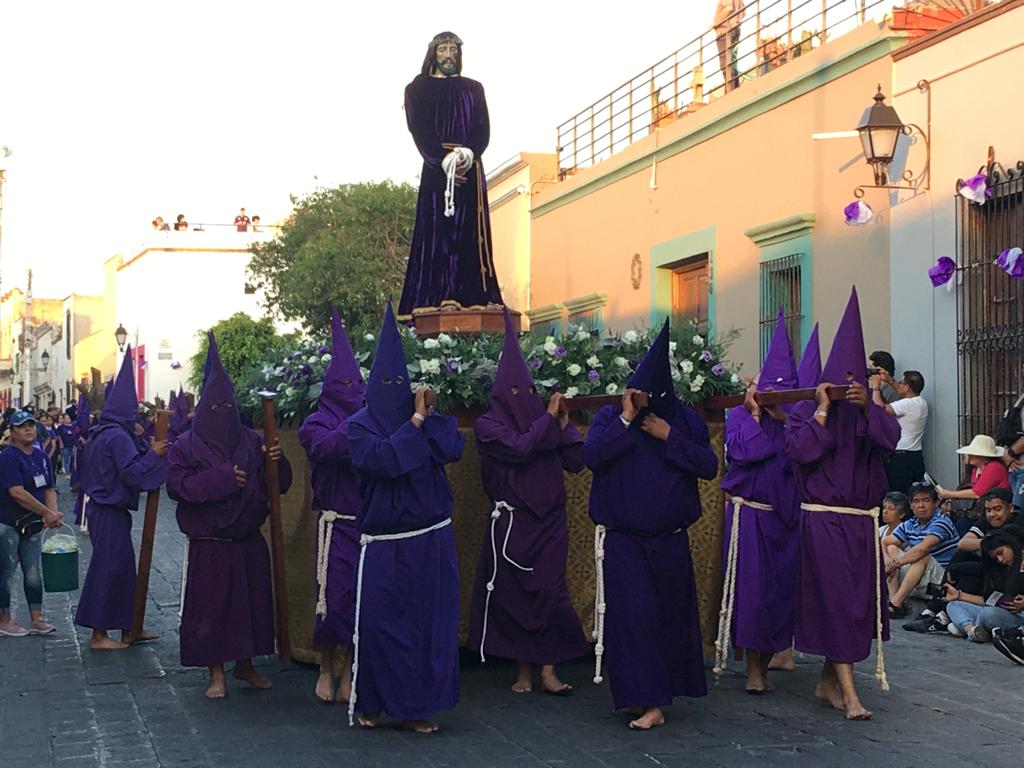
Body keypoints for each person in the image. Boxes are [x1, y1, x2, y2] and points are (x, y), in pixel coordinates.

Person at [583, 319, 717, 730]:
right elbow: (593, 456)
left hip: (669, 539)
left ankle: (656, 700)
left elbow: (708, 466)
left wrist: (669, 435)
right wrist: (626, 420)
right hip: (624, 540)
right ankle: (638, 697)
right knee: (632, 618)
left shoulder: (686, 422)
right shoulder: (610, 419)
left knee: (666, 619)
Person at [346, 301, 464, 733]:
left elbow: (452, 449)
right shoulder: (359, 427)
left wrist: (430, 415)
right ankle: (372, 701)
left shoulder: (428, 422)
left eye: (403, 382)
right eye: (387, 382)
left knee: (425, 626)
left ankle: (417, 708)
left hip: (430, 538)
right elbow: (382, 461)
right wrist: (413, 421)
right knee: (377, 626)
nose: (395, 388)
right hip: (383, 544)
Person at [785, 288, 900, 721]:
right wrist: (821, 412)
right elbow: (800, 453)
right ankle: (851, 695)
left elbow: (892, 443)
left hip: (859, 523)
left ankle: (828, 682)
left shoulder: (873, 412)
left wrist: (870, 407)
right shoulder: (804, 411)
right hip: (822, 521)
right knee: (835, 599)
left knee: (856, 605)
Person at [466, 308, 588, 695]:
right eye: (517, 394)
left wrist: (565, 427)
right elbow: (520, 449)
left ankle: (549, 670)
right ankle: (522, 671)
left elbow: (576, 462)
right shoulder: (489, 426)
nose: (524, 400)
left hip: (549, 522)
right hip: (512, 525)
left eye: (529, 393)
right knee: (515, 596)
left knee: (550, 593)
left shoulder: (546, 422)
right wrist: (546, 421)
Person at [167, 334, 292, 699]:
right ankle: (216, 672)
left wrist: (276, 462)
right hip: (211, 543)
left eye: (228, 405)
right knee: (212, 609)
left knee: (251, 606)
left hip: (248, 538)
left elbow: (279, 486)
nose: (222, 412)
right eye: (215, 406)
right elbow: (177, 485)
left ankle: (246, 665)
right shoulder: (184, 445)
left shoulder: (252, 440)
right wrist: (220, 480)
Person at [717, 308, 800, 694]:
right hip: (749, 518)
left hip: (784, 520)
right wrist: (753, 415)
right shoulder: (737, 417)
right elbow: (750, 454)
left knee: (778, 593)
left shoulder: (795, 423)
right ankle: (753, 669)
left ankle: (771, 660)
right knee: (750, 595)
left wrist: (784, 418)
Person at [398, 32, 503, 320]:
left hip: (469, 167)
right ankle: (440, 294)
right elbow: (418, 128)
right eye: (443, 49)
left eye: (453, 50)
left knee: (470, 233)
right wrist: (442, 160)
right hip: (437, 169)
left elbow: (482, 128)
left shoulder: (473, 89)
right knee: (440, 234)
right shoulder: (417, 89)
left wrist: (468, 155)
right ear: (433, 53)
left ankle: (476, 296)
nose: (448, 55)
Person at [74, 348, 168, 650]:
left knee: (124, 569)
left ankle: (130, 628)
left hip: (102, 510)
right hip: (109, 511)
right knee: (109, 568)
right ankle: (99, 635)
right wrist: (154, 455)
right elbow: (132, 473)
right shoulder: (117, 437)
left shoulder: (103, 433)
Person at [298, 308, 364, 704]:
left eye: (355, 383)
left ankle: (352, 673)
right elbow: (328, 448)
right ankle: (325, 667)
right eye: (343, 384)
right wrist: (359, 421)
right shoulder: (315, 423)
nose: (350, 389)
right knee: (331, 601)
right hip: (334, 526)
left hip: (366, 524)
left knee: (360, 602)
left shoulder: (369, 417)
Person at [0, 410, 63, 637]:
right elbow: (17, 492)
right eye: (21, 426)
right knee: (6, 571)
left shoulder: (42, 457)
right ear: (13, 432)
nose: (28, 429)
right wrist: (47, 512)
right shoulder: (7, 457)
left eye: (31, 425)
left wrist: (53, 514)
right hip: (8, 521)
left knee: (33, 570)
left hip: (33, 522)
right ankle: (4, 619)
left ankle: (36, 618)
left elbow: (49, 488)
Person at [882, 483, 958, 617]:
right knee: (891, 547)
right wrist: (888, 560)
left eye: (926, 500)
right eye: (916, 501)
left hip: (940, 580)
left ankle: (895, 603)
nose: (921, 505)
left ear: (936, 503)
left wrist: (895, 564)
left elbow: (923, 548)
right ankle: (893, 601)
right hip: (917, 577)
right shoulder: (911, 523)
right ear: (911, 506)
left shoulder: (941, 522)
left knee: (922, 556)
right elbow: (884, 542)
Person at [943, 525, 1024, 642]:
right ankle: (972, 630)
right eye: (996, 557)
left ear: (1010, 544)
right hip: (1000, 611)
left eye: (1001, 552)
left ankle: (968, 629)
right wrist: (959, 595)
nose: (1000, 559)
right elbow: (990, 600)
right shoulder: (999, 569)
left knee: (988, 614)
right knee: (954, 605)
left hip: (1019, 616)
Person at [872, 371, 928, 494]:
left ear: (907, 386)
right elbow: (900, 391)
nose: (899, 384)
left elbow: (880, 409)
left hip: (901, 458)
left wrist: (876, 388)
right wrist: (890, 380)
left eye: (901, 382)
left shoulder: (907, 403)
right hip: (915, 455)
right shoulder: (921, 402)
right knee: (912, 494)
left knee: (898, 495)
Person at [937, 434, 1010, 503]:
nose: (969, 455)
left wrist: (949, 494)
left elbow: (977, 493)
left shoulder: (994, 467)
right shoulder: (975, 470)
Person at [714, 0, 744, 92]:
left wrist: (717, 23)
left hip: (725, 31)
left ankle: (730, 89)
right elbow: (744, 12)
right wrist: (737, 21)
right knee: (733, 60)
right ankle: (735, 87)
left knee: (725, 63)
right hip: (735, 29)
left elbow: (728, 8)